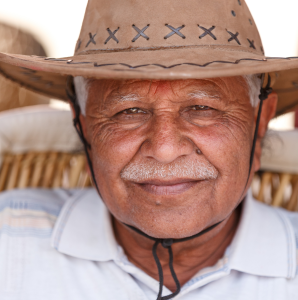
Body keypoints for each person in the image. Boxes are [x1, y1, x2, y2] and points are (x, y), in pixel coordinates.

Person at [0, 0, 297, 299]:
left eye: (201, 108)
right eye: (129, 111)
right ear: (84, 126)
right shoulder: (8, 241)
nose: (165, 149)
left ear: (260, 123)